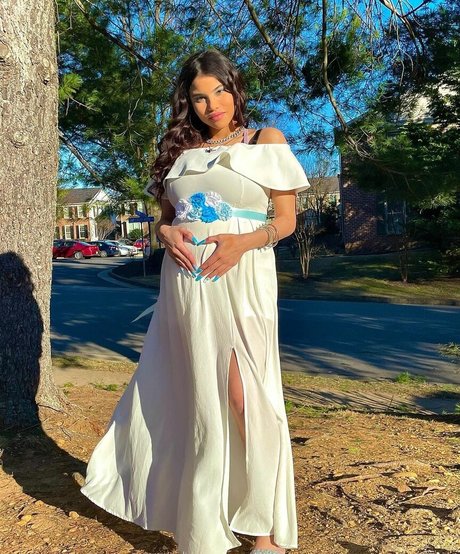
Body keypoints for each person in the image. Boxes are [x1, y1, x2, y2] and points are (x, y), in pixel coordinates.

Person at [80, 49, 310, 554]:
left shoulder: (265, 140)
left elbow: (286, 221)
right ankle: (204, 522)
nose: (212, 105)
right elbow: (166, 220)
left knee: (246, 397)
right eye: (200, 97)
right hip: (186, 283)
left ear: (235, 88)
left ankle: (265, 532)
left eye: (220, 91)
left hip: (242, 275)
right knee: (200, 395)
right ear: (188, 101)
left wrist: (243, 243)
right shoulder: (179, 152)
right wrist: (165, 234)